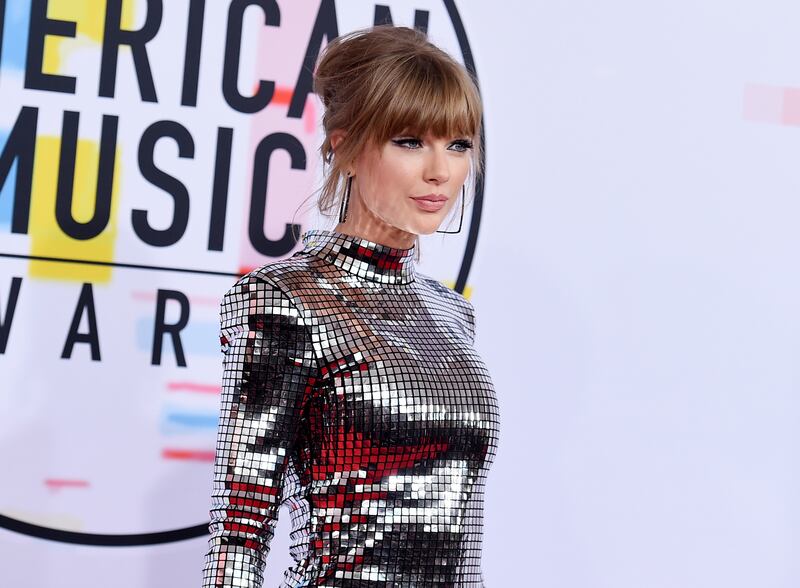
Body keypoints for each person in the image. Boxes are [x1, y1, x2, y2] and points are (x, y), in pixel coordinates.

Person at [201, 24, 500, 587]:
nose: (441, 170)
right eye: (410, 141)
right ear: (345, 147)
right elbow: (240, 523)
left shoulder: (452, 313)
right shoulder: (282, 298)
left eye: (457, 144)